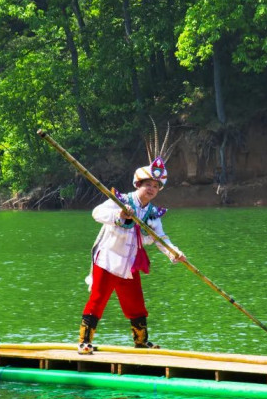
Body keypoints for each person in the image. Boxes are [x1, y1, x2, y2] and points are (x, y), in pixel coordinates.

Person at [78, 152, 186, 355]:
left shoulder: (153, 213)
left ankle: (141, 342)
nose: (152, 189)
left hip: (129, 264)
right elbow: (96, 214)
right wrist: (119, 214)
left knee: (136, 303)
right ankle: (84, 341)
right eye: (148, 185)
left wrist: (175, 253)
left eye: (156, 186)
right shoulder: (121, 201)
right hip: (108, 260)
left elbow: (160, 238)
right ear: (138, 184)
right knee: (98, 299)